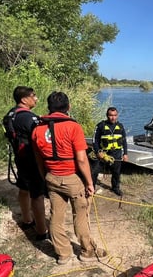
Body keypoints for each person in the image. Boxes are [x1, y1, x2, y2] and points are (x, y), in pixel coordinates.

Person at [32, 91, 107, 265]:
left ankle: (63, 254)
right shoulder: (73, 127)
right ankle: (87, 251)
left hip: (52, 177)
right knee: (80, 216)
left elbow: (38, 159)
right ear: (68, 107)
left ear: (49, 108)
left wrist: (46, 177)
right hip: (72, 179)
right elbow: (81, 159)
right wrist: (89, 183)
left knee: (56, 217)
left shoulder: (37, 129)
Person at [5, 86, 48, 240]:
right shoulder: (28, 118)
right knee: (37, 195)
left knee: (24, 189)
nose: (36, 98)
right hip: (32, 160)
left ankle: (27, 220)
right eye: (33, 96)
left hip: (20, 157)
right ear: (24, 99)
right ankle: (42, 231)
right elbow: (42, 136)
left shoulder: (11, 114)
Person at [91, 106, 128, 196]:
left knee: (116, 173)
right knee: (94, 172)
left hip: (116, 153)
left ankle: (115, 188)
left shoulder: (120, 126)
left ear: (117, 115)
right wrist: (98, 152)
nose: (113, 117)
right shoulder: (101, 126)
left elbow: (124, 141)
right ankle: (91, 188)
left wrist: (125, 154)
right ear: (107, 115)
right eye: (111, 115)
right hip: (103, 154)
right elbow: (94, 140)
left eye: (115, 115)